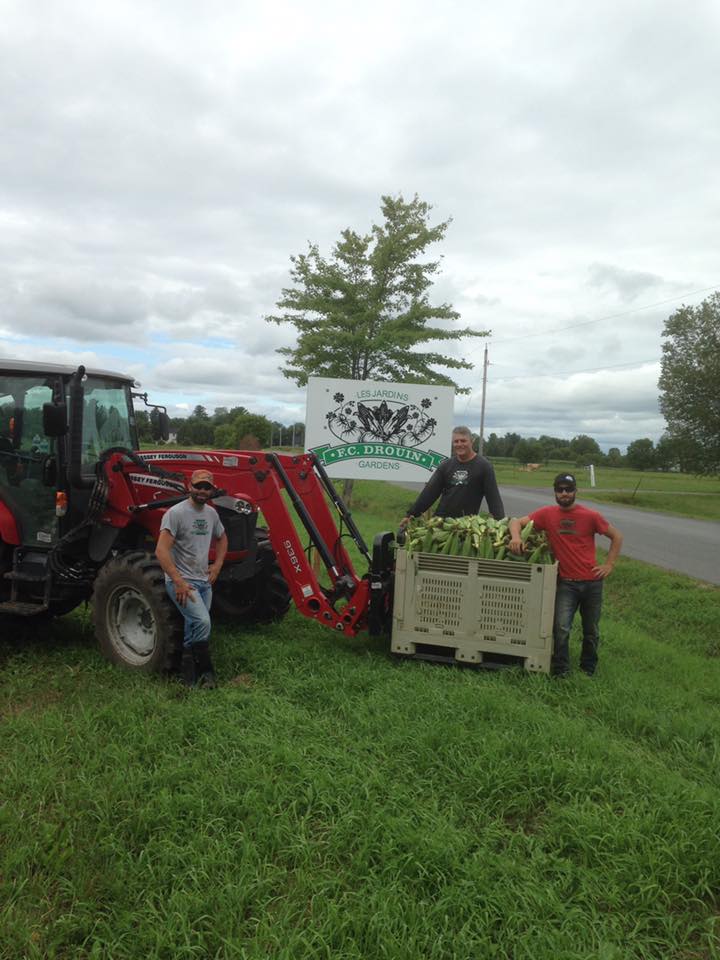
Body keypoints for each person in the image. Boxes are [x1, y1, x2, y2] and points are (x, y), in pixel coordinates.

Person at [508, 472, 623, 677]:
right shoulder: (546, 514)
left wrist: (609, 565)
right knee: (561, 628)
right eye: (560, 490)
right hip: (565, 583)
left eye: (568, 489)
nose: (564, 493)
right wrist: (516, 537)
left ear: (575, 491)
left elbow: (616, 536)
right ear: (555, 492)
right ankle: (561, 671)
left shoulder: (591, 516)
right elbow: (515, 521)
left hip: (592, 583)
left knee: (591, 630)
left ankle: (588, 669)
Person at [156, 468, 228, 688]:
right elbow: (161, 550)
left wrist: (217, 566)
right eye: (198, 486)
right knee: (202, 622)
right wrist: (178, 581)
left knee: (193, 626)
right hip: (182, 582)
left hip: (204, 582)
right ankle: (207, 673)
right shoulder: (175, 513)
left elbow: (222, 538)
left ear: (211, 490)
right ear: (190, 486)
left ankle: (187, 676)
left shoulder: (211, 514)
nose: (202, 491)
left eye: (207, 487)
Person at [402, 425, 505, 524]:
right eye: (456, 441)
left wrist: (501, 523)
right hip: (441, 522)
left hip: (466, 525)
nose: (459, 444)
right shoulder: (446, 465)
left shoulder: (484, 466)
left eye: (463, 441)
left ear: (472, 441)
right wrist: (411, 515)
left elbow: (494, 499)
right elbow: (429, 493)